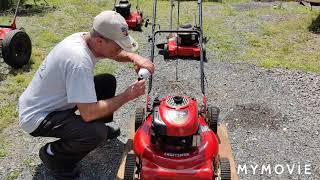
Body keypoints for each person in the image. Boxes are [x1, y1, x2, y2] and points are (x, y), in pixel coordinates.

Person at [18, 11, 154, 179]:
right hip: (37, 117)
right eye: (118, 45)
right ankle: (54, 156)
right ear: (99, 41)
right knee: (96, 133)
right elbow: (88, 113)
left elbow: (112, 53)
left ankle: (90, 131)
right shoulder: (78, 61)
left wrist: (133, 57)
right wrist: (127, 95)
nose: (121, 50)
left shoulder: (84, 39)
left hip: (52, 101)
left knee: (106, 82)